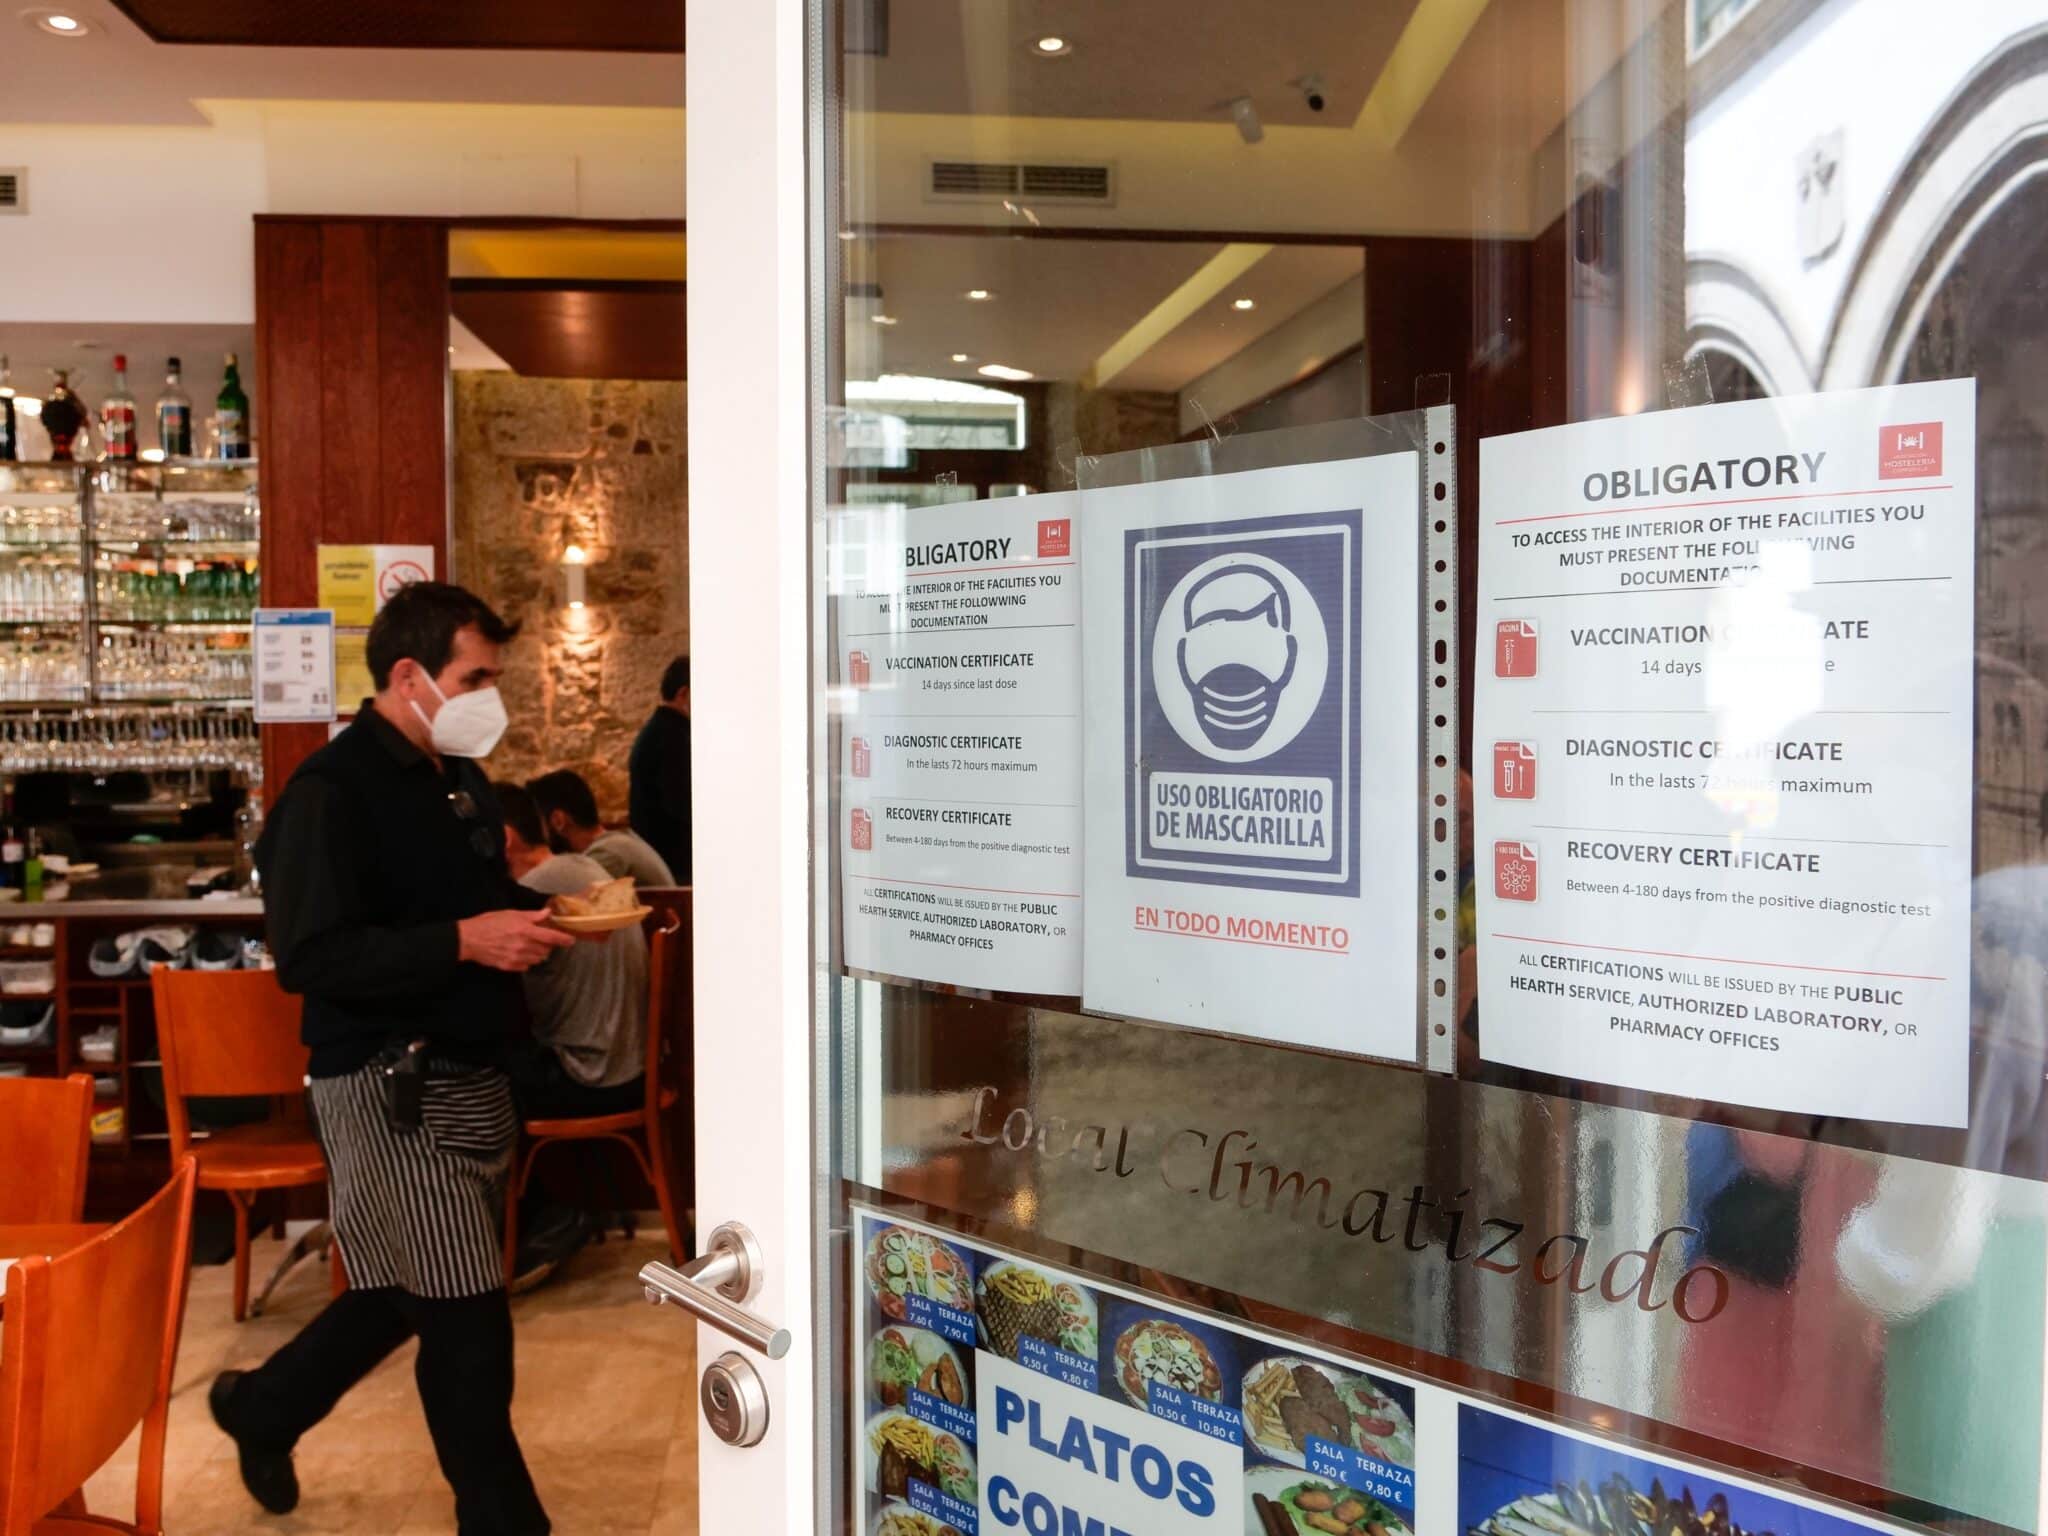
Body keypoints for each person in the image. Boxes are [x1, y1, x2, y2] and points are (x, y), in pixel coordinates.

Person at [207, 581, 579, 1536]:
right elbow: (312, 958)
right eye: (476, 676)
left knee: (386, 1293)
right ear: (408, 676)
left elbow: (466, 905)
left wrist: (539, 922)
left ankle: (261, 1409)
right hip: (386, 1082)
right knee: (464, 1318)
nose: (490, 694)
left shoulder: (457, 774)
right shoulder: (328, 794)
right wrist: (464, 941)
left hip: (465, 1070)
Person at [495, 781, 649, 1119]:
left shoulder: (535, 891)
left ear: (504, 839)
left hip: (584, 1080)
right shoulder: (585, 869)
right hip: (637, 1073)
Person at [526, 766, 675, 887]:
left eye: (535, 823)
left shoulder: (607, 854)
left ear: (558, 820)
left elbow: (564, 899)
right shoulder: (615, 842)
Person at [628, 656, 692, 881]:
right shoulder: (673, 737)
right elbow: (682, 808)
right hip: (674, 862)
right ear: (683, 693)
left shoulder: (661, 729)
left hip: (661, 854)